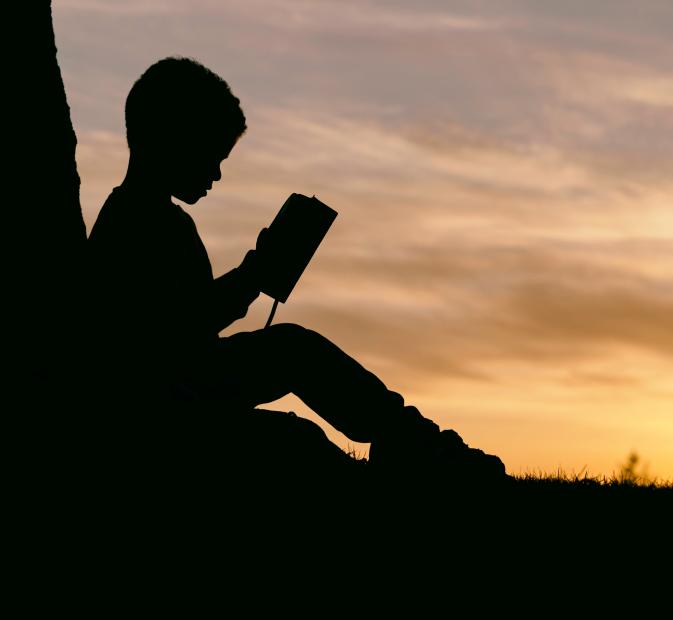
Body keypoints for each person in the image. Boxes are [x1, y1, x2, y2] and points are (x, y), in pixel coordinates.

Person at [87, 56, 504, 479]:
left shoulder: (161, 219)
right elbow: (171, 334)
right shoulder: (132, 223)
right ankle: (421, 452)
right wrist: (254, 275)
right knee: (297, 434)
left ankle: (416, 443)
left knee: (293, 349)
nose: (215, 174)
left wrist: (254, 273)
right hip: (162, 408)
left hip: (188, 384)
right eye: (210, 155)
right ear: (172, 139)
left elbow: (190, 321)